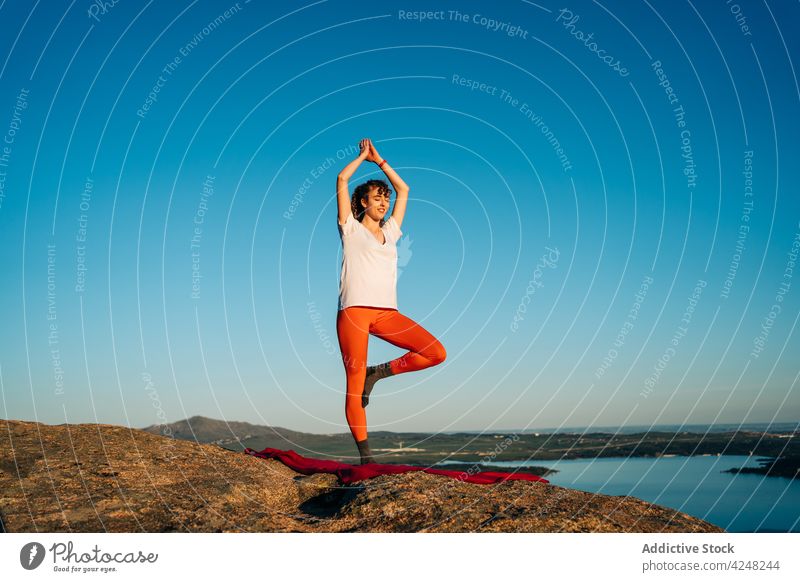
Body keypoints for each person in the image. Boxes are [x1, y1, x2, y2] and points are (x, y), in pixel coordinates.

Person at [336, 138, 447, 465]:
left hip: (386, 313)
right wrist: (361, 158)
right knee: (353, 384)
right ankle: (367, 458)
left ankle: (379, 373)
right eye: (377, 198)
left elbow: (405, 189)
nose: (384, 202)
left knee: (435, 352)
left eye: (385, 197)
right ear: (362, 203)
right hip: (354, 312)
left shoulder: (392, 232)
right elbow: (342, 180)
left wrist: (381, 162)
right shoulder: (350, 229)